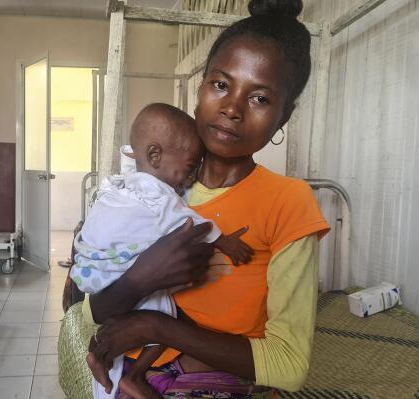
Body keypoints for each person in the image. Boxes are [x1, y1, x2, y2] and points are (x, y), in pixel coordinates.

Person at [81, 0, 331, 397]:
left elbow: (289, 366)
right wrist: (139, 278)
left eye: (260, 98)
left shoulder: (288, 202)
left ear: (283, 117)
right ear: (199, 89)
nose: (232, 108)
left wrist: (155, 327)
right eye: (220, 84)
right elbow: (84, 310)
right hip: (135, 369)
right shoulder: (150, 189)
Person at [70, 103, 253, 399]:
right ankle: (136, 377)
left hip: (99, 274)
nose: (191, 178)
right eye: (190, 167)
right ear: (155, 156)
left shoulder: (123, 187)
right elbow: (192, 223)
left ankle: (99, 356)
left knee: (121, 328)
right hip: (124, 279)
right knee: (161, 319)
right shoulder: (161, 195)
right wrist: (225, 240)